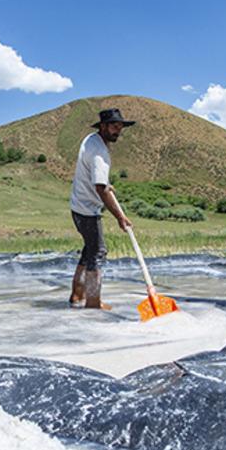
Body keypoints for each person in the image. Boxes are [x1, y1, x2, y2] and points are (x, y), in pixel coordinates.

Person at [69, 108, 133, 309]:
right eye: (114, 126)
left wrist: (105, 183)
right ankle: (93, 302)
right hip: (87, 209)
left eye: (120, 127)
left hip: (78, 205)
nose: (118, 131)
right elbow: (100, 188)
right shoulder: (100, 152)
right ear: (103, 126)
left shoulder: (91, 140)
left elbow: (96, 178)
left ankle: (77, 294)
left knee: (89, 250)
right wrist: (120, 217)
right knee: (98, 252)